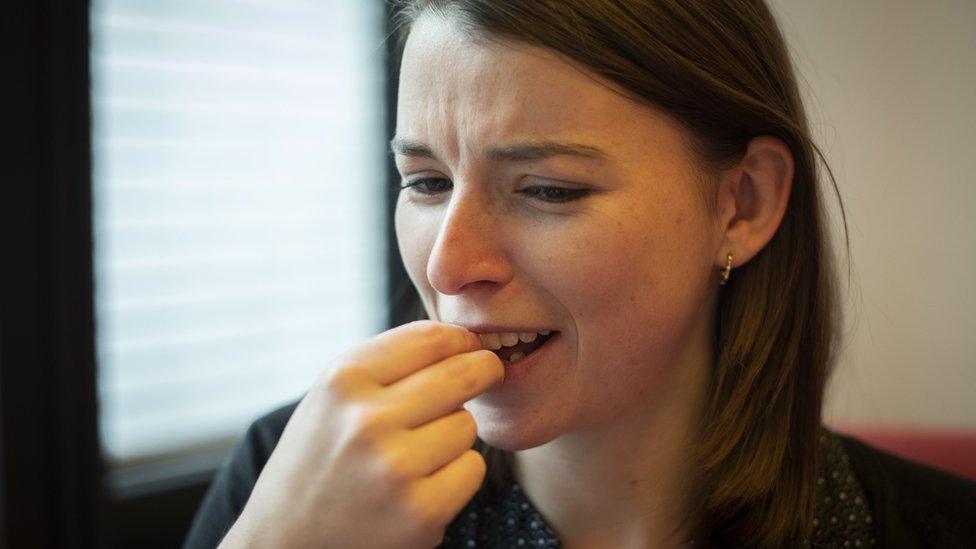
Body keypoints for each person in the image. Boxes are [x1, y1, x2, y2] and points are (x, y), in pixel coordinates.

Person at [184, 1, 976, 547]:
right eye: (425, 182)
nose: (447, 264)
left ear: (742, 203)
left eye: (548, 190)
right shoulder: (287, 478)